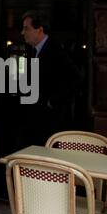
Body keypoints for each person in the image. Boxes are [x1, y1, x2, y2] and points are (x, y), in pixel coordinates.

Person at [19, 10, 82, 147]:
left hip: (52, 121)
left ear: (40, 30)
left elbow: (76, 78)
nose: (22, 33)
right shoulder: (32, 51)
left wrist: (52, 100)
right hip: (35, 118)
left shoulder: (56, 49)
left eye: (26, 28)